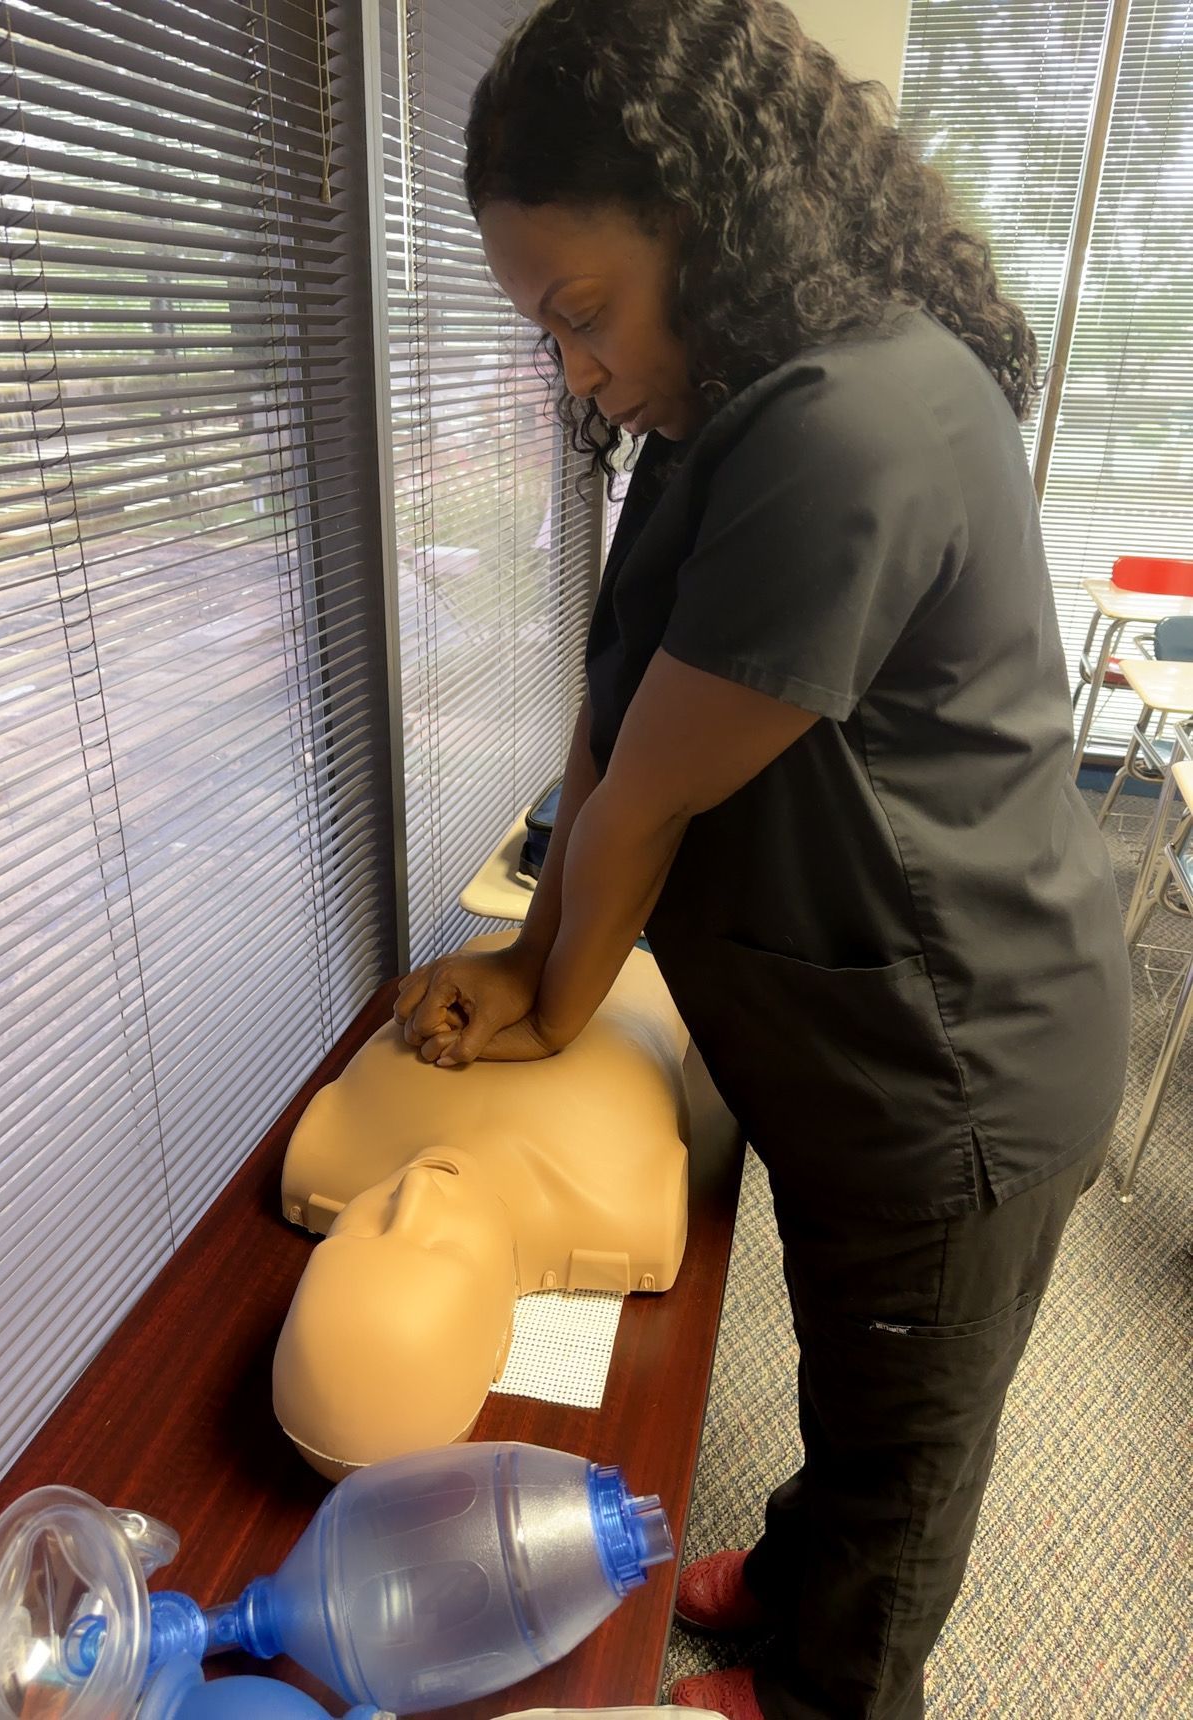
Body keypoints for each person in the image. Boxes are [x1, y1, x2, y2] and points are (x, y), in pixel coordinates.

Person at [393, 3, 1132, 1717]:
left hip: (958, 1070)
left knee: (906, 1449)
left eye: (583, 314)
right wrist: (526, 962)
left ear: (709, 228)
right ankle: (796, 1570)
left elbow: (646, 796)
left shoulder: (846, 427)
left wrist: (546, 997)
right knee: (856, 1374)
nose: (572, 365)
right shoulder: (724, 402)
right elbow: (611, 705)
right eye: (545, 327)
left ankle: (825, 1680)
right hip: (848, 1029)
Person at [273, 935, 693, 1473]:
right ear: (502, 1348)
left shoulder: (325, 1152)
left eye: (358, 1235)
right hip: (646, 958)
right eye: (439, 1248)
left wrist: (524, 958)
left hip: (486, 962)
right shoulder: (625, 1203)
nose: (414, 1193)